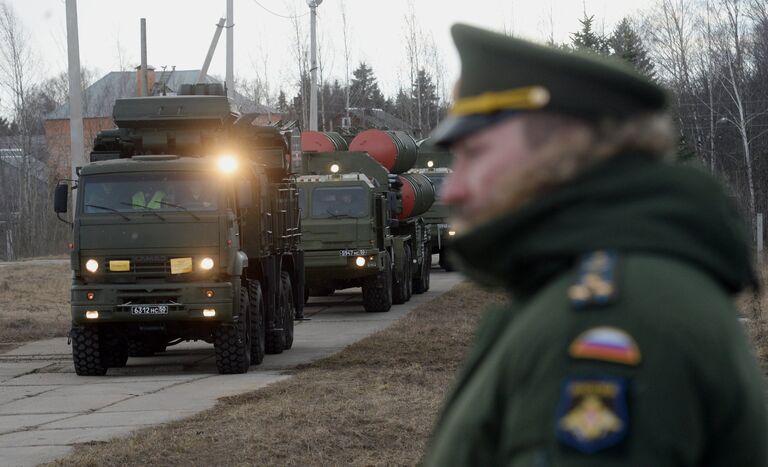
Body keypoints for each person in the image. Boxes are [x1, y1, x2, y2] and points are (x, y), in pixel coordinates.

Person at [424, 24, 767, 466]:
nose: (452, 190)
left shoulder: (607, 318)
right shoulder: (620, 280)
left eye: (475, 154)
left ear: (560, 152)